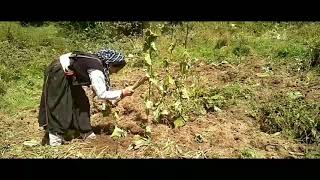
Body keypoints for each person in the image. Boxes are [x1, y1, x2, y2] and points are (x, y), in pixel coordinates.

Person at [38, 49, 134, 146]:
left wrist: (111, 100)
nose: (116, 73)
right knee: (60, 105)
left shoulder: (98, 63)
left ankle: (85, 132)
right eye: (116, 70)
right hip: (58, 71)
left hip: (70, 74)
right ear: (110, 65)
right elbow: (101, 93)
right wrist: (123, 92)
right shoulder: (96, 69)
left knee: (81, 102)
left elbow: (97, 88)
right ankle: (55, 140)